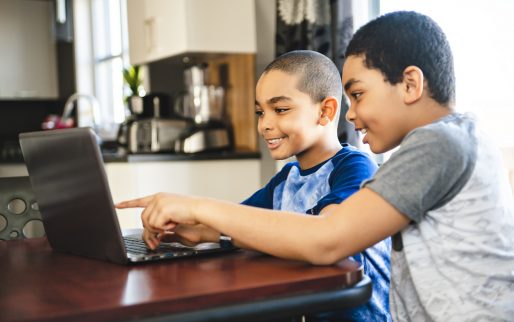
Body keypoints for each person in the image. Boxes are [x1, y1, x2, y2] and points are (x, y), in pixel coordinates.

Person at [117, 11, 514, 321]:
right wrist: (193, 229)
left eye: (358, 95)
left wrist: (199, 206)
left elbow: (328, 238)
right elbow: (255, 224)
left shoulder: (438, 143)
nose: (352, 115)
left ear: (410, 84)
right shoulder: (456, 138)